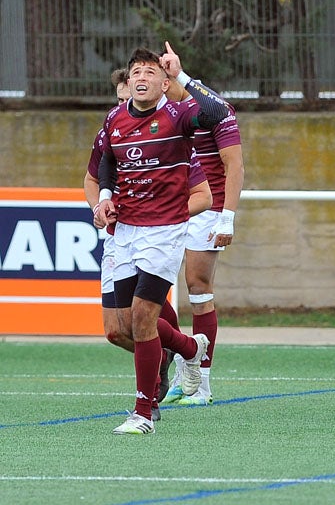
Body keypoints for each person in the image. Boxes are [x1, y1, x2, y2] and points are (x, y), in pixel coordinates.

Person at [92, 42, 228, 434]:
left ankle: (143, 411)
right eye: (136, 71)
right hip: (125, 234)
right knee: (119, 328)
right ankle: (190, 348)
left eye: (151, 72)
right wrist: (103, 200)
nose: (141, 77)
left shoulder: (178, 114)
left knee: (143, 317)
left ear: (164, 82)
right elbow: (107, 162)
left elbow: (218, 113)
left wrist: (183, 76)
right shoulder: (115, 118)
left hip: (163, 232)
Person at [158, 58, 245, 408]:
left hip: (209, 208)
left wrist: (227, 218)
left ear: (169, 80)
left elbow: (234, 164)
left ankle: (202, 383)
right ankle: (184, 361)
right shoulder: (163, 113)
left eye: (161, 77)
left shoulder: (213, 108)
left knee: (197, 286)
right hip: (172, 208)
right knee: (151, 285)